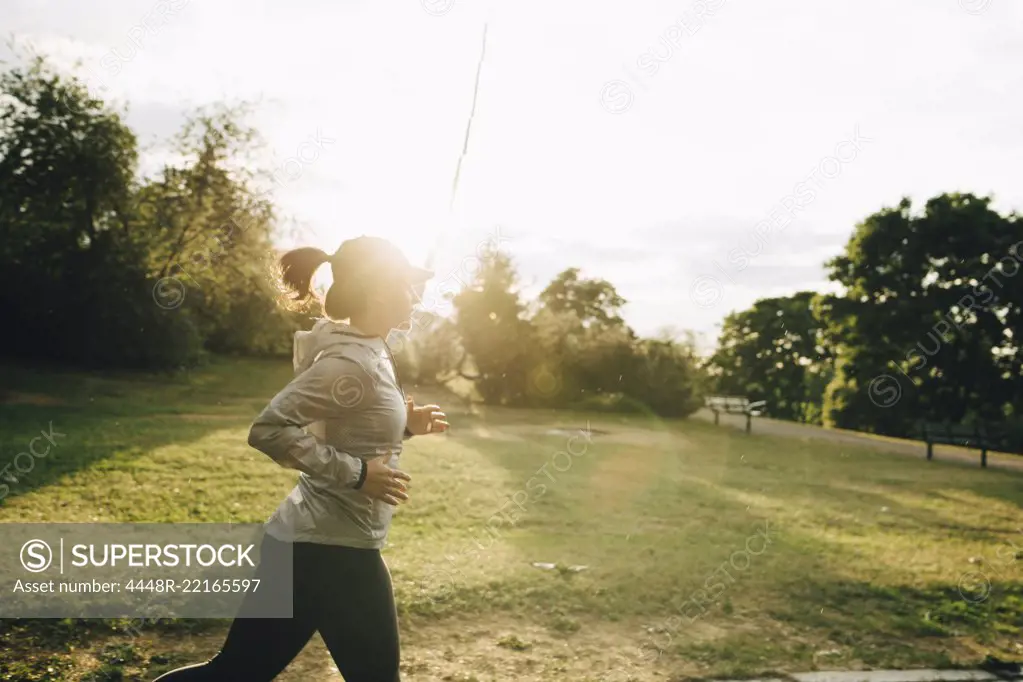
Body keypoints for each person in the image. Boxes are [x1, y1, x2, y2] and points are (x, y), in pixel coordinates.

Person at [155, 235, 449, 681]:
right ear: (374, 292)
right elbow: (269, 430)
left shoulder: (371, 348)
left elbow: (348, 424)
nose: (414, 295)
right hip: (330, 551)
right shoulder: (348, 363)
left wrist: (407, 425)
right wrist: (357, 474)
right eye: (405, 285)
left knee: (235, 674)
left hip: (311, 546)